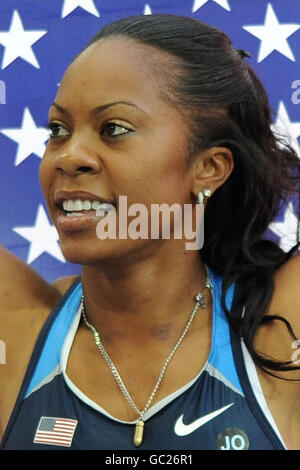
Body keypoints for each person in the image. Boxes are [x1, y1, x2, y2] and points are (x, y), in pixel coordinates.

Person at [1, 13, 300, 451]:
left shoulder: (280, 333)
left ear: (208, 168)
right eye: (58, 130)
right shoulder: (16, 328)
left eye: (114, 129)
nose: (69, 157)